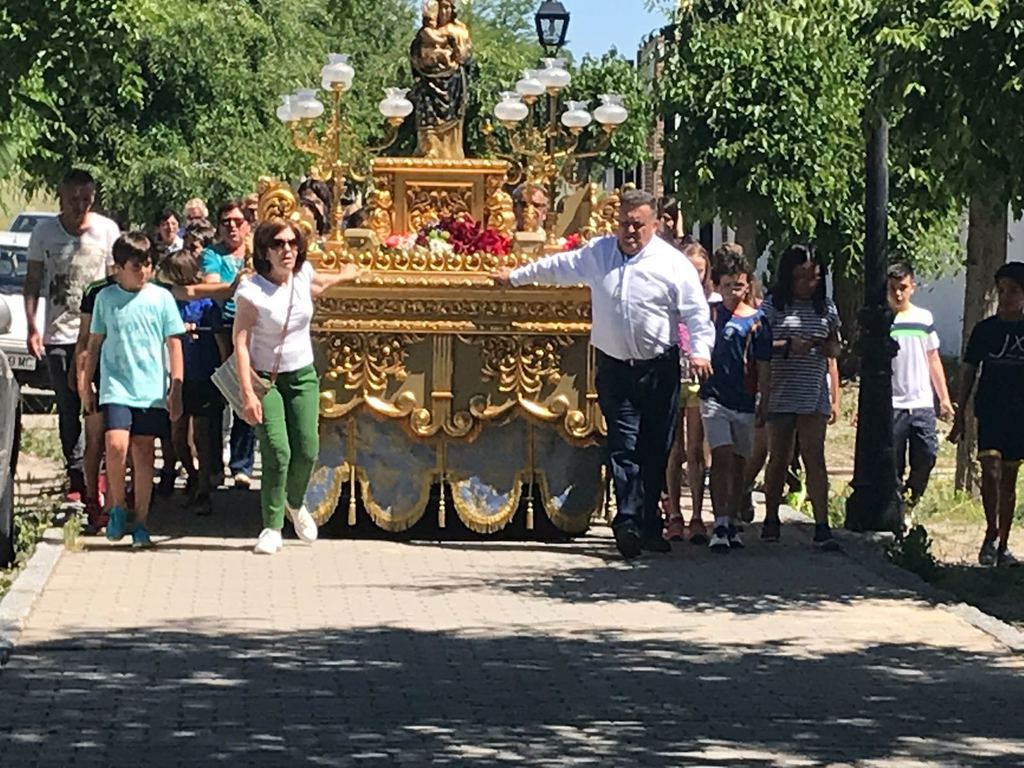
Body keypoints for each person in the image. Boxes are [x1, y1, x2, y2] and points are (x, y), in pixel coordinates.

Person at [493, 190, 715, 559]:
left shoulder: (672, 264)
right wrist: (514, 277)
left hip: (658, 369)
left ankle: (649, 524)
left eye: (638, 225)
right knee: (624, 446)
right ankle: (626, 522)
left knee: (655, 450)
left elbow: (695, 313)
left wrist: (700, 351)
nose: (630, 231)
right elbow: (558, 268)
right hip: (615, 367)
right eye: (624, 223)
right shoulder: (599, 254)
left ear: (655, 225)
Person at [233, 219, 361, 554]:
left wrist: (347, 275)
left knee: (307, 449)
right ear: (265, 251)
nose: (287, 250)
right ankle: (271, 527)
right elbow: (241, 343)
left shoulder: (302, 275)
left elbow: (318, 285)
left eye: (292, 243)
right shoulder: (251, 291)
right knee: (277, 450)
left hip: (302, 374)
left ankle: (293, 501)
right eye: (278, 244)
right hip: (267, 379)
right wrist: (248, 393)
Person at [82, 233, 185, 547]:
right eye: (136, 266)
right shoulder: (105, 299)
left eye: (148, 265)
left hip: (151, 389)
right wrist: (86, 383)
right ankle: (117, 507)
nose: (143, 271)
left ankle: (141, 520)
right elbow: (94, 343)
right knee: (114, 445)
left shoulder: (161, 298)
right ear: (118, 268)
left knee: (143, 452)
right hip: (116, 387)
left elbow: (174, 344)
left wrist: (175, 388)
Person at [23, 169, 120, 503]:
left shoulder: (106, 230)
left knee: (98, 406)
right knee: (67, 407)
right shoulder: (44, 232)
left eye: (86, 199)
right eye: (73, 199)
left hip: (97, 335)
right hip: (58, 332)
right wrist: (32, 326)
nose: (80, 205)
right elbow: (33, 280)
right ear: (61, 197)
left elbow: (114, 282)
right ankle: (76, 474)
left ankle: (102, 473)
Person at [760, 244, 842, 550]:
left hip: (812, 392)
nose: (810, 284)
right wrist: (787, 345)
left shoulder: (827, 308)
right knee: (778, 457)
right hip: (781, 391)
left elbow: (836, 349)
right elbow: (760, 346)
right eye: (803, 278)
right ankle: (770, 517)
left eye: (815, 278)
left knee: (814, 457)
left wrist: (825, 347)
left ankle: (822, 523)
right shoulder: (772, 306)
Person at [949, 261, 1024, 567]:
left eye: (1014, 291)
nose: (1006, 297)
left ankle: (1003, 543)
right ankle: (990, 530)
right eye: (1002, 290)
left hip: (1019, 415)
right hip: (990, 409)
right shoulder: (985, 331)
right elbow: (968, 370)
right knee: (990, 471)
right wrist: (959, 413)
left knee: (1009, 479)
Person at [701, 248, 771, 551]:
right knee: (722, 455)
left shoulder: (757, 322)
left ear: (748, 285)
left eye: (739, 285)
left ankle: (732, 518)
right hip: (713, 397)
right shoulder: (710, 315)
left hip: (744, 399)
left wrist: (764, 399)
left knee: (741, 461)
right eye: (727, 285)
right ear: (717, 285)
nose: (733, 291)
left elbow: (764, 364)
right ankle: (718, 521)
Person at [160, 250, 226, 516]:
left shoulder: (206, 304)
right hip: (176, 376)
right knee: (177, 434)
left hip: (204, 374)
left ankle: (204, 490)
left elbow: (221, 340)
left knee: (202, 434)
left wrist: (224, 376)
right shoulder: (166, 300)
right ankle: (193, 473)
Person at [887, 262, 954, 517]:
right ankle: (895, 507)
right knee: (893, 459)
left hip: (922, 402)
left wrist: (944, 398)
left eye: (903, 287)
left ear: (912, 287)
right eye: (893, 288)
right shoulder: (884, 319)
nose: (898, 294)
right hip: (894, 403)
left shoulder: (923, 318)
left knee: (926, 454)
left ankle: (911, 499)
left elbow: (933, 358)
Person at [664, 241, 720, 544]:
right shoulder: (670, 297)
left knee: (697, 450)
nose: (694, 275)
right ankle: (674, 513)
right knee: (675, 450)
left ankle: (698, 514)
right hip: (673, 378)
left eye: (699, 270)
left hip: (699, 380)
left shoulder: (711, 301)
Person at [200, 200, 254, 489]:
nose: (232, 226)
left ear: (247, 224)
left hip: (253, 332)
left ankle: (242, 464)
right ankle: (212, 466)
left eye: (237, 221)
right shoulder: (212, 254)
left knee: (247, 394)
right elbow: (211, 286)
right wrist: (235, 284)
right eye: (226, 222)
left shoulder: (257, 252)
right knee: (216, 401)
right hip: (221, 327)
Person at [76, 272, 116, 531]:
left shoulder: (150, 289)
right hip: (97, 374)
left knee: (120, 443)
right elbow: (85, 340)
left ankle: (117, 501)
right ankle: (92, 496)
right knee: (95, 440)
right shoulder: (96, 291)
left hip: (127, 379)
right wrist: (83, 381)